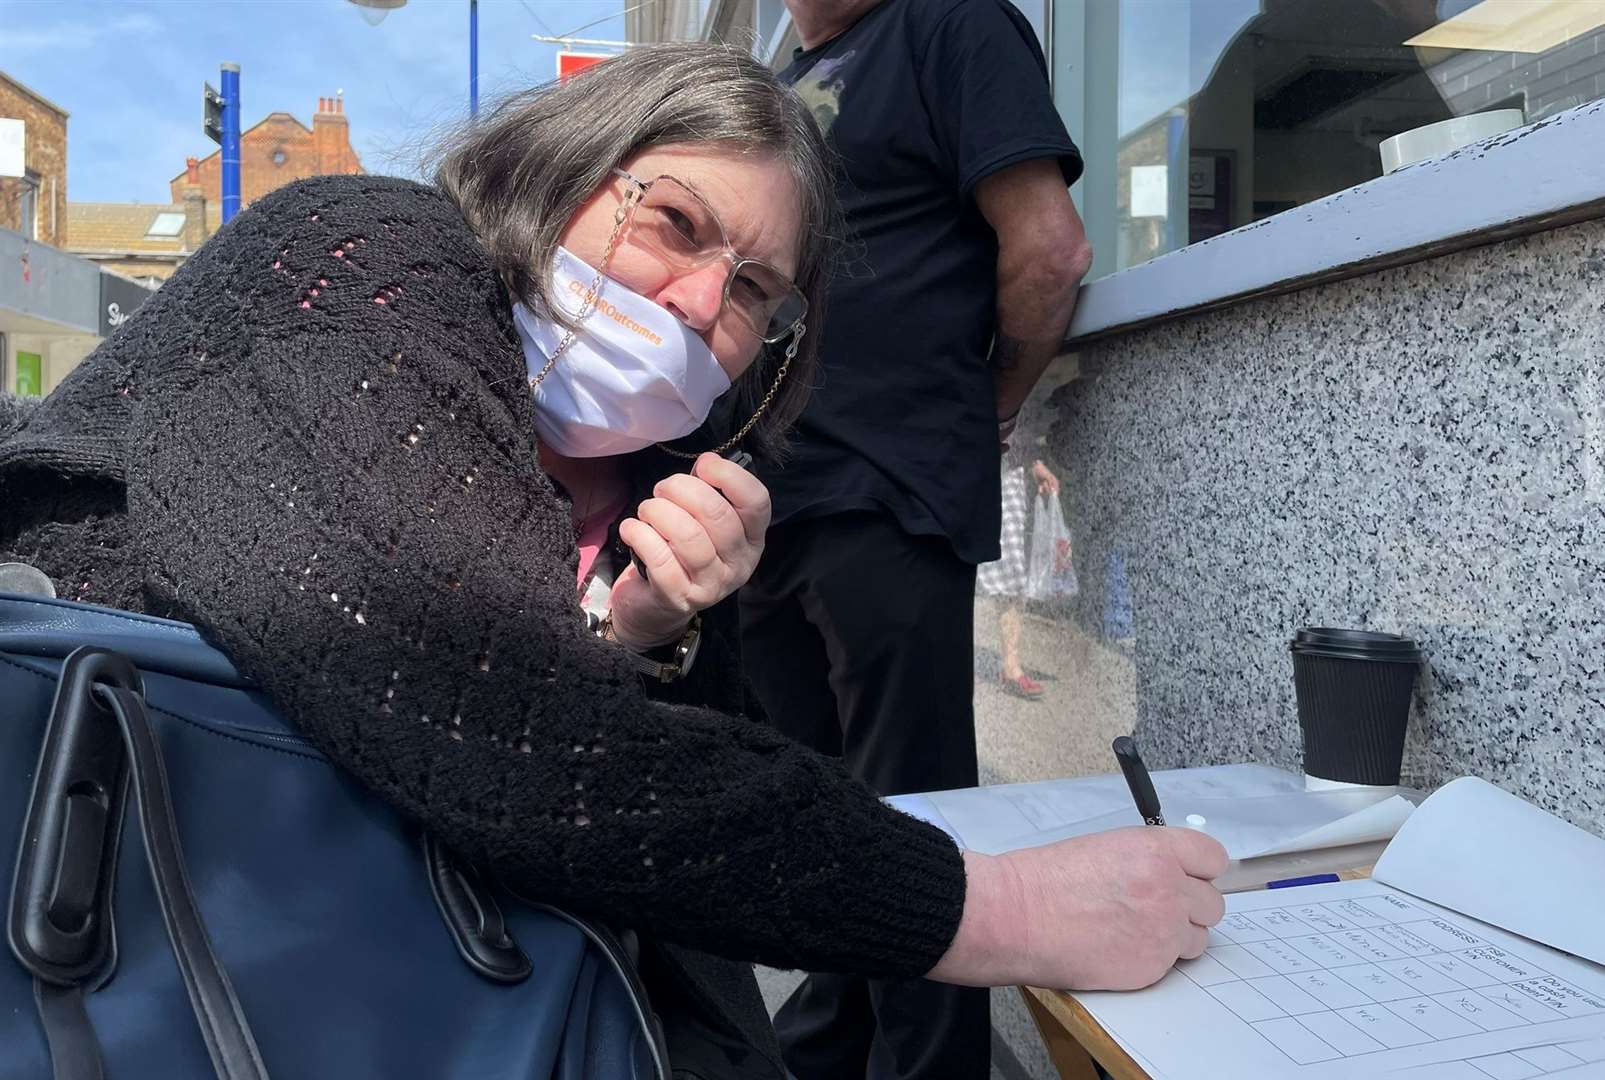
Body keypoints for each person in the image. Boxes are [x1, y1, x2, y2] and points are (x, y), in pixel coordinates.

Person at [0, 43, 1223, 1080]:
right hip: (115, 965)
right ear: (559, 172)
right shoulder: (363, 259)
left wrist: (644, 632)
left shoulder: (662, 474)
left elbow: (681, 877)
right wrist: (1003, 910)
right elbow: (491, 725)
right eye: (678, 225)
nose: (701, 305)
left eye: (756, 293)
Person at [738, 2, 1097, 1076]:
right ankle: (825, 1046)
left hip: (888, 485)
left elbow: (1051, 250)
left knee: (911, 817)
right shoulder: (786, 64)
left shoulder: (949, 22)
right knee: (819, 818)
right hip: (770, 495)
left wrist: (988, 406)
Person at [978, 440, 1062, 700]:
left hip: (1005, 474)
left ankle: (1011, 668)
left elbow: (1021, 422)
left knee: (1011, 576)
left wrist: (1035, 464)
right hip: (951, 462)